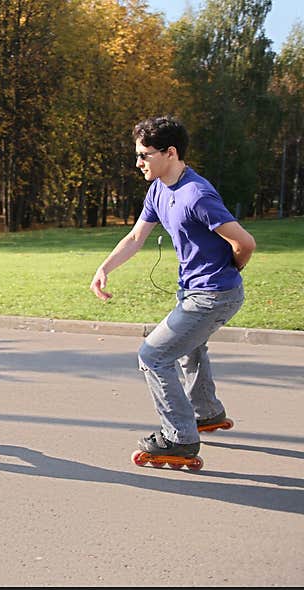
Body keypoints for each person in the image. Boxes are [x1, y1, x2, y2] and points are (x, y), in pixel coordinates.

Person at [89, 115, 256, 459]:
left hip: (213, 295)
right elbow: (136, 237)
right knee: (189, 349)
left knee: (153, 355)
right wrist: (104, 268)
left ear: (170, 153)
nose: (138, 163)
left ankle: (179, 437)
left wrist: (229, 271)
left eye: (144, 155)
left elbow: (245, 243)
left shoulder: (197, 195)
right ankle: (206, 412)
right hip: (194, 292)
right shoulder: (158, 189)